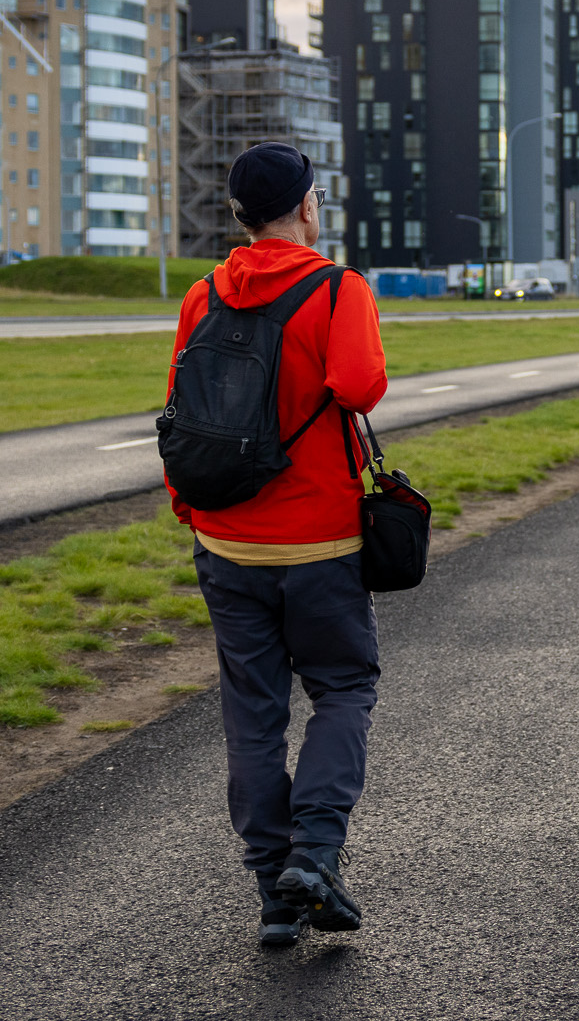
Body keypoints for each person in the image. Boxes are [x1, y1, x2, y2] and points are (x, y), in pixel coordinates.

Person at [165, 142, 388, 947]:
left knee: (252, 711)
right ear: (308, 204)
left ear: (237, 215)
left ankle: (273, 888)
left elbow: (179, 413)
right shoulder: (337, 287)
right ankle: (317, 851)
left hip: (226, 539)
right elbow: (359, 388)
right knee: (344, 688)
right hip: (319, 539)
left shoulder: (201, 295)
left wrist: (192, 509)